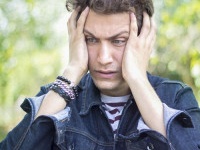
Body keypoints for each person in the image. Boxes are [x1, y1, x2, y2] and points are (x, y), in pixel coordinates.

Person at [1, 0, 200, 149]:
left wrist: (137, 78)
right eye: (91, 39)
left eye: (119, 41)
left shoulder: (175, 96)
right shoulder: (56, 99)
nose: (103, 58)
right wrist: (72, 70)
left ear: (143, 38)